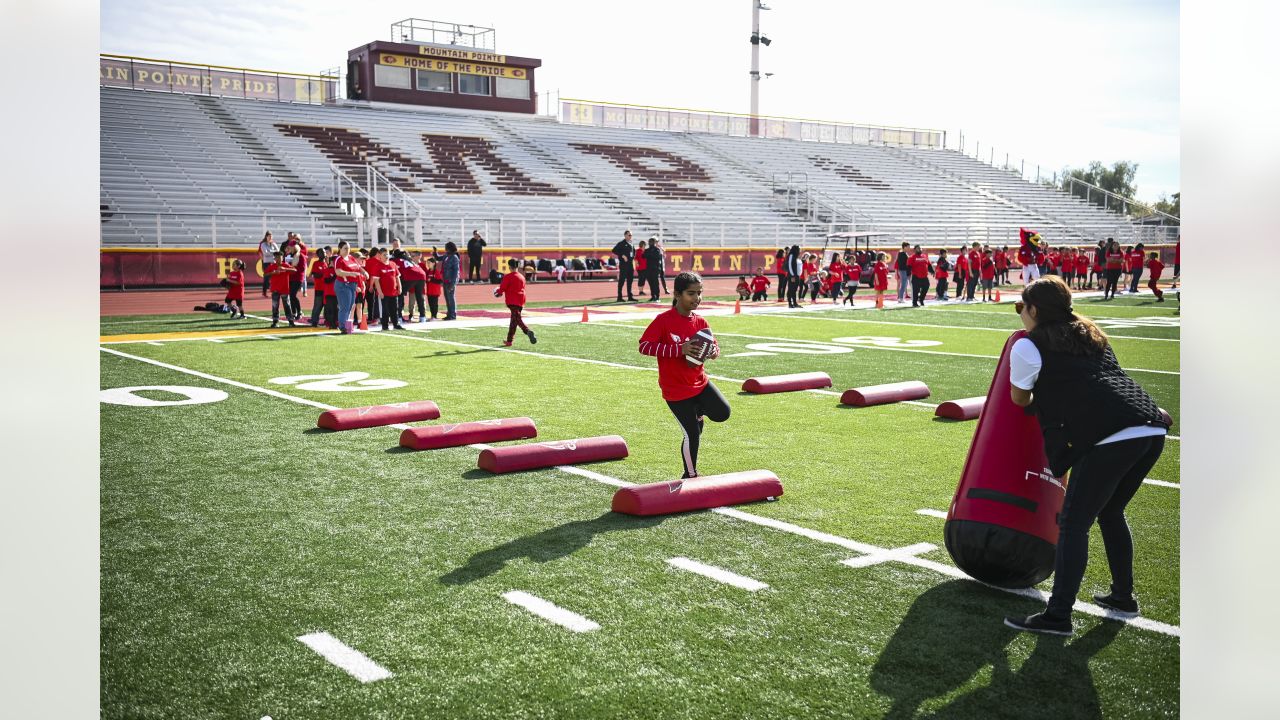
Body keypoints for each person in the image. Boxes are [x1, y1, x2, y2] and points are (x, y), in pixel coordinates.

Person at [1003, 276, 1169, 636]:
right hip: (1150, 426)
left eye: (1021, 306)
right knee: (1110, 511)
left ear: (1034, 309)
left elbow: (1019, 399)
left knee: (1074, 523)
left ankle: (1058, 616)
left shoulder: (1028, 346)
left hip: (1111, 436)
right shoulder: (1090, 332)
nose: (1020, 314)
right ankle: (1122, 596)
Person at [637, 271, 728, 479]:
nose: (697, 298)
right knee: (692, 434)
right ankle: (690, 474)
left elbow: (713, 345)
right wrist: (680, 349)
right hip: (676, 390)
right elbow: (644, 346)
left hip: (700, 383)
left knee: (723, 412)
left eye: (699, 293)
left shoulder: (701, 321)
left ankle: (698, 412)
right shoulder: (663, 320)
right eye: (691, 293)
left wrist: (714, 352)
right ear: (677, 294)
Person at [495, 258, 538, 346]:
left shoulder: (508, 277)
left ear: (509, 267)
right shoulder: (522, 277)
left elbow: (502, 289)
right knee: (513, 321)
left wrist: (497, 293)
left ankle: (527, 331)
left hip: (512, 301)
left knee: (517, 319)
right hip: (521, 300)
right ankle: (509, 340)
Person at [332, 241, 364, 334]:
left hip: (352, 285)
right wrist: (350, 273)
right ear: (340, 249)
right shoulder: (339, 259)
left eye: (349, 248)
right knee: (345, 307)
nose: (347, 250)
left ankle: (346, 325)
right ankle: (342, 326)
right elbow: (338, 272)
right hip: (343, 285)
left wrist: (364, 272)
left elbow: (358, 267)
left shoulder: (350, 257)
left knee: (350, 306)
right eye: (345, 248)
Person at [370, 248, 404, 331]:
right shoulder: (377, 266)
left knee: (394, 309)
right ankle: (385, 326)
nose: (386, 256)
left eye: (387, 254)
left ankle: (396, 324)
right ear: (380, 256)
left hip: (393, 292)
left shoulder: (393, 264)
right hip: (384, 293)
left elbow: (397, 277)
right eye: (384, 255)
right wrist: (380, 292)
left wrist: (400, 287)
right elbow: (376, 281)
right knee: (385, 310)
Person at [265, 251, 298, 328]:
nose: (278, 259)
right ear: (274, 258)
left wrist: (285, 268)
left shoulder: (285, 265)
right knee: (275, 306)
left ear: (282, 258)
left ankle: (290, 321)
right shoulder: (272, 266)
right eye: (276, 257)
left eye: (280, 257)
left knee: (287, 306)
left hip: (284, 289)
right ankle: (275, 322)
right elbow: (265, 274)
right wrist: (273, 273)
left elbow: (295, 270)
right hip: (275, 289)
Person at [394, 249, 427, 322]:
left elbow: (397, 273)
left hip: (411, 276)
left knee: (400, 295)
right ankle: (422, 316)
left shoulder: (397, 260)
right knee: (419, 296)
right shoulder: (409, 260)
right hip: (422, 275)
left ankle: (399, 317)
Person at [612, 231, 637, 302]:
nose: (630, 236)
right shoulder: (621, 243)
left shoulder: (631, 243)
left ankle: (630, 296)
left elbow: (633, 252)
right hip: (623, 264)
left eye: (631, 235)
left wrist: (633, 258)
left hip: (630, 264)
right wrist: (622, 255)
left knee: (630, 281)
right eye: (629, 235)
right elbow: (614, 250)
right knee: (622, 280)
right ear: (625, 235)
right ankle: (619, 297)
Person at [307, 248, 328, 327]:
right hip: (319, 288)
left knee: (327, 306)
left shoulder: (327, 263)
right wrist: (325, 274)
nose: (324, 254)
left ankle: (327, 320)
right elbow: (315, 274)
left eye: (325, 252)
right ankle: (314, 321)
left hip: (327, 288)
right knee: (317, 305)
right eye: (322, 252)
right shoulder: (316, 263)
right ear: (318, 255)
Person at [442, 241, 461, 320]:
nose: (445, 249)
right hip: (445, 279)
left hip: (450, 280)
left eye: (446, 247)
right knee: (447, 298)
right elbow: (439, 258)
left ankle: (453, 314)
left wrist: (453, 283)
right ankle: (449, 313)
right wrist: (435, 253)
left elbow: (455, 271)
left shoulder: (454, 257)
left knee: (451, 298)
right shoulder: (447, 256)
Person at [258, 231, 277, 297]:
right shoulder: (263, 244)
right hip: (266, 263)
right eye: (269, 236)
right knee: (266, 278)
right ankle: (264, 292)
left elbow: (278, 251)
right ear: (266, 237)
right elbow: (265, 253)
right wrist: (273, 252)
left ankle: (273, 291)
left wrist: (270, 251)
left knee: (274, 278)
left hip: (273, 262)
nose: (270, 238)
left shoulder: (274, 243)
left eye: (271, 236)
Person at [424, 254, 443, 321]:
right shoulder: (428, 271)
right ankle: (432, 316)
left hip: (435, 291)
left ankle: (434, 316)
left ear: (434, 263)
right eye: (427, 263)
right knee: (430, 304)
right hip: (429, 291)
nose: (428, 264)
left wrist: (431, 280)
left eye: (429, 263)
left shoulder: (436, 271)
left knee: (434, 304)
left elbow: (440, 281)